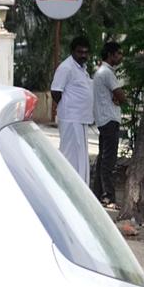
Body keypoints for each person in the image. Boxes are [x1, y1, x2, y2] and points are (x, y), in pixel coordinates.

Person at [50, 36, 93, 183]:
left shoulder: (82, 69)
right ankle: (63, 186)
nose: (83, 55)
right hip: (70, 119)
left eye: (86, 52)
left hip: (81, 119)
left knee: (80, 158)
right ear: (72, 51)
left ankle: (79, 190)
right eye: (80, 52)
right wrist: (68, 107)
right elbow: (55, 91)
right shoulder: (66, 67)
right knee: (69, 157)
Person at [92, 40, 126, 209]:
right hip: (109, 120)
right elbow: (121, 96)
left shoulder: (101, 72)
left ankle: (97, 192)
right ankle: (108, 197)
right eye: (118, 53)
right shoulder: (107, 73)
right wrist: (119, 97)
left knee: (102, 160)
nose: (120, 57)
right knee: (108, 161)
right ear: (111, 55)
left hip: (104, 119)